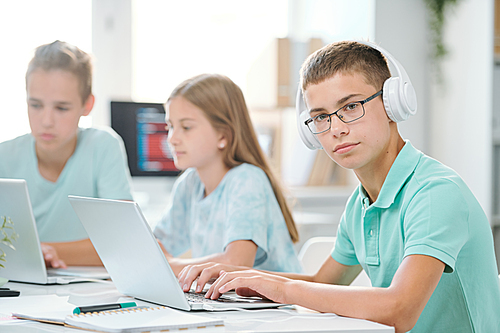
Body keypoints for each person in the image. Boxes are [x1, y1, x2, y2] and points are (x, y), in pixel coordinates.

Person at [176, 41, 500, 332]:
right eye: (320, 117)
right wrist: (240, 277)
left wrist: (280, 287)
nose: (336, 129)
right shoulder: (360, 204)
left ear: (392, 103)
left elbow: (399, 310)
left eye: (350, 107)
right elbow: (322, 283)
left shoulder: (434, 192)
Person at [153, 73, 302, 279]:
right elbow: (156, 247)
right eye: (170, 126)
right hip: (226, 303)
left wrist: (172, 266)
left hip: (272, 307)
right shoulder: (189, 183)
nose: (172, 138)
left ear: (223, 135)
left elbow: (237, 262)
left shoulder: (247, 180)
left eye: (186, 127)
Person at [0, 40, 133, 267]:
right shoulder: (5, 156)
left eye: (61, 108)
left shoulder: (103, 146)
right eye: (35, 105)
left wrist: (42, 251)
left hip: (87, 287)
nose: (46, 121)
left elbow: (124, 242)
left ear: (87, 105)